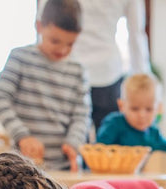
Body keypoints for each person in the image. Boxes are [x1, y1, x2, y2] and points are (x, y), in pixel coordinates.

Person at [0, 0, 91, 171]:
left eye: (70, 44)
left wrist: (73, 143)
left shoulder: (78, 70)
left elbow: (81, 116)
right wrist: (22, 135)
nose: (62, 50)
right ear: (39, 26)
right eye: (55, 41)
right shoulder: (20, 58)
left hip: (64, 168)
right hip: (23, 167)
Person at [38, 0, 151, 134]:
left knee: (86, 141)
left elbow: (43, 22)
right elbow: (136, 33)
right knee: (97, 143)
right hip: (87, 72)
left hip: (90, 73)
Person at [96, 73, 166, 160]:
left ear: (158, 109)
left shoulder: (153, 134)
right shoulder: (114, 124)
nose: (142, 115)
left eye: (149, 109)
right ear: (122, 106)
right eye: (135, 109)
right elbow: (98, 151)